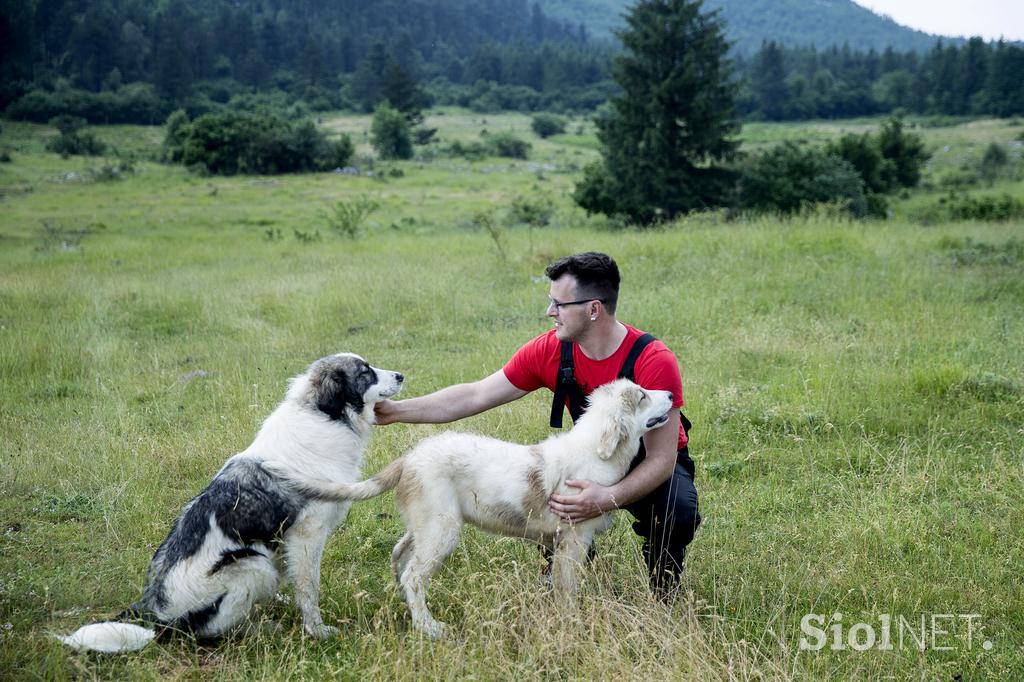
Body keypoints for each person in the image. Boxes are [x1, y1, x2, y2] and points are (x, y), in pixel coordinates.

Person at [374, 252, 700, 589]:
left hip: (646, 461)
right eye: (551, 302)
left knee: (676, 509)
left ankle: (664, 591)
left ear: (593, 309)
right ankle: (561, 563)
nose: (549, 312)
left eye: (559, 305)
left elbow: (663, 459)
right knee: (540, 476)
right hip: (591, 458)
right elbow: (475, 395)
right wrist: (396, 411)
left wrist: (607, 497)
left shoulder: (653, 360)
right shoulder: (551, 350)